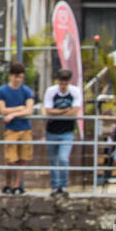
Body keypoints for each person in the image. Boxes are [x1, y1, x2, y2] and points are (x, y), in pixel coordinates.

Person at [0, 62, 34, 195]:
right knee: (10, 160)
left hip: (25, 128)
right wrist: (18, 108)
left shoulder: (27, 91)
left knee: (22, 159)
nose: (18, 80)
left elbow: (29, 110)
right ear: (11, 76)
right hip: (11, 130)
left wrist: (13, 114)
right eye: (16, 77)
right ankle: (8, 184)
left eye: (21, 77)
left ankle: (17, 185)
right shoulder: (2, 91)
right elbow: (2, 110)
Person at [42, 68, 81, 197]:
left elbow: (75, 111)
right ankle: (55, 187)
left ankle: (63, 186)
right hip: (52, 130)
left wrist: (57, 112)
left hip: (67, 131)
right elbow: (48, 110)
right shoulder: (51, 91)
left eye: (66, 81)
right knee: (53, 160)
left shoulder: (75, 91)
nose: (63, 84)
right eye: (61, 81)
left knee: (63, 159)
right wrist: (65, 111)